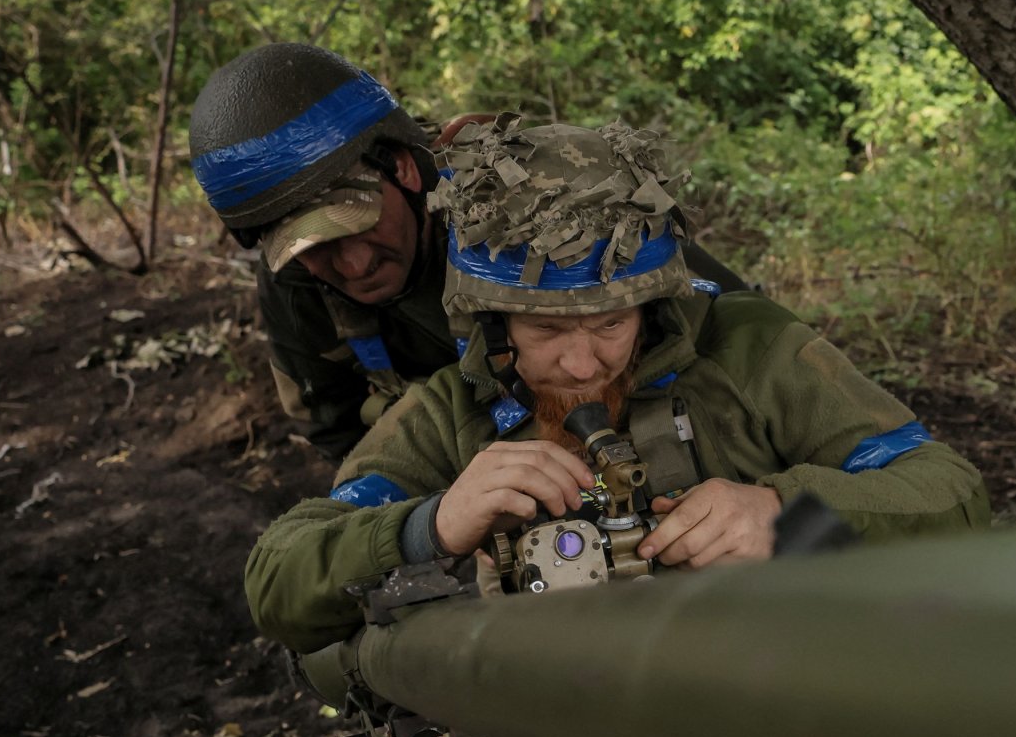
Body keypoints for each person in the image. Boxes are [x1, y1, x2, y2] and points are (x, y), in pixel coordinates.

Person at [245, 117, 1016, 737]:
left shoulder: (748, 351)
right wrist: (430, 519)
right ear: (486, 320)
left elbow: (947, 488)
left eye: (609, 322)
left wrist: (782, 507)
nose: (578, 359)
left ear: (655, 297)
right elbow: (279, 577)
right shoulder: (449, 418)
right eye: (541, 330)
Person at [186, 43, 747, 458]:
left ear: (403, 168)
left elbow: (730, 322)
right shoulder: (296, 279)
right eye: (316, 249)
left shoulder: (519, 201)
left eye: (359, 224)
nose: (352, 266)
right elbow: (336, 431)